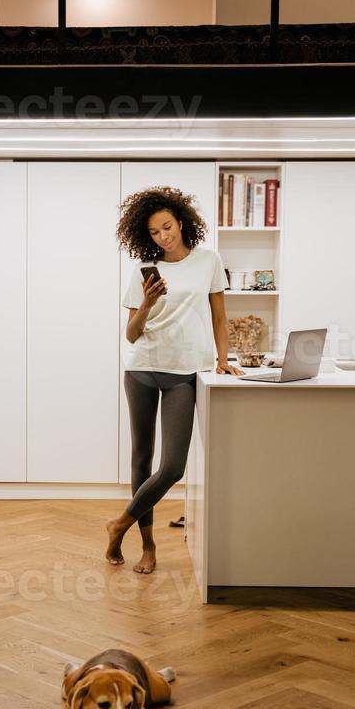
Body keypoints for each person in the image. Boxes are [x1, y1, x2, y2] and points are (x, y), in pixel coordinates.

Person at [105, 185, 244, 574]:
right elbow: (131, 333)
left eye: (167, 227)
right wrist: (148, 302)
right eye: (154, 232)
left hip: (185, 372)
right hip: (143, 368)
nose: (163, 237)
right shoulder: (144, 271)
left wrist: (223, 360)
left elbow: (219, 315)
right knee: (141, 459)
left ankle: (118, 525)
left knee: (172, 467)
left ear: (181, 222)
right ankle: (147, 547)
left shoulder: (208, 260)